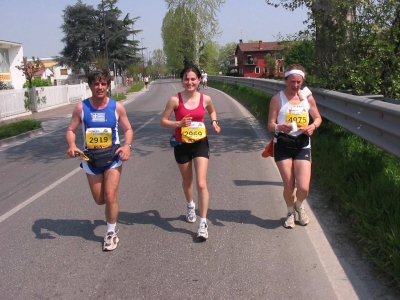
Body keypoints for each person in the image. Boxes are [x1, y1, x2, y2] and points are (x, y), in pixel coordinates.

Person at [66, 69, 134, 251]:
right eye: (96, 84)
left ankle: (111, 233)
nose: (100, 87)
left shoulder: (116, 107)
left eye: (103, 83)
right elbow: (71, 130)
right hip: (90, 158)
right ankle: (110, 209)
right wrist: (72, 145)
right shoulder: (81, 108)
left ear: (108, 85)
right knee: (100, 199)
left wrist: (127, 145)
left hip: (112, 157)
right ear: (90, 86)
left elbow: (128, 128)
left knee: (111, 195)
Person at [160, 64, 221, 240]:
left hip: (200, 142)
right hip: (181, 143)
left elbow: (212, 111)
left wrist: (214, 122)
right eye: (186, 79)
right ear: (182, 80)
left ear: (199, 80)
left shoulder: (206, 99)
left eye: (193, 79)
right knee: (187, 180)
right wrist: (177, 124)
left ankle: (203, 223)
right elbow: (163, 121)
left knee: (201, 183)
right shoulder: (175, 100)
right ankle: (189, 205)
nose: (190, 82)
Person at [267, 64, 322, 229]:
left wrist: (313, 126)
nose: (295, 85)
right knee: (289, 186)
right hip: (283, 144)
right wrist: (279, 127)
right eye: (292, 81)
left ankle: (299, 205)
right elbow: (270, 124)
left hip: (302, 144)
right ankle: (290, 212)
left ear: (302, 81)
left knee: (304, 187)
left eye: (299, 82)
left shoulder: (307, 98)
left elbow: (318, 118)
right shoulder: (277, 99)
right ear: (285, 80)